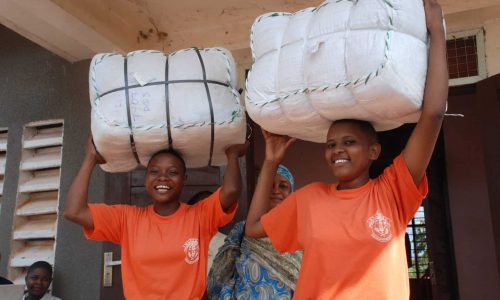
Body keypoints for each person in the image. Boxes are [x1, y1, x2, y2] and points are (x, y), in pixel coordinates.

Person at [244, 0, 448, 298]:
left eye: (349, 142)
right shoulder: (311, 198)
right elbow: (253, 228)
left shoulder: (392, 191)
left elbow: (433, 115)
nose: (337, 150)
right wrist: (272, 161)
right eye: (331, 144)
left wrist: (437, 31)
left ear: (374, 151)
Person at [64, 138, 248, 299]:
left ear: (184, 178)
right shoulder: (127, 219)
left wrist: (232, 154)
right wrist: (90, 159)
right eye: (154, 172)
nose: (163, 178)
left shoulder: (200, 216)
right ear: (145, 178)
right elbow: (74, 211)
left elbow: (231, 191)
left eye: (172, 172)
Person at [207, 165, 302, 299]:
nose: (275, 190)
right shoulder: (242, 229)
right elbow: (221, 272)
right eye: (270, 185)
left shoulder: (301, 232)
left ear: (292, 193)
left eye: (283, 186)